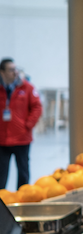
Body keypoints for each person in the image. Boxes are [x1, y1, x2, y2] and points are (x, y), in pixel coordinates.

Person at [0, 59, 42, 190]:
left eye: (16, 69)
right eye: (11, 70)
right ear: (2, 72)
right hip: (2, 139)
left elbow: (37, 107)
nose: (15, 72)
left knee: (23, 172)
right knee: (1, 173)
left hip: (21, 138)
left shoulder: (27, 87)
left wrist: (27, 125)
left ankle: (22, 199)